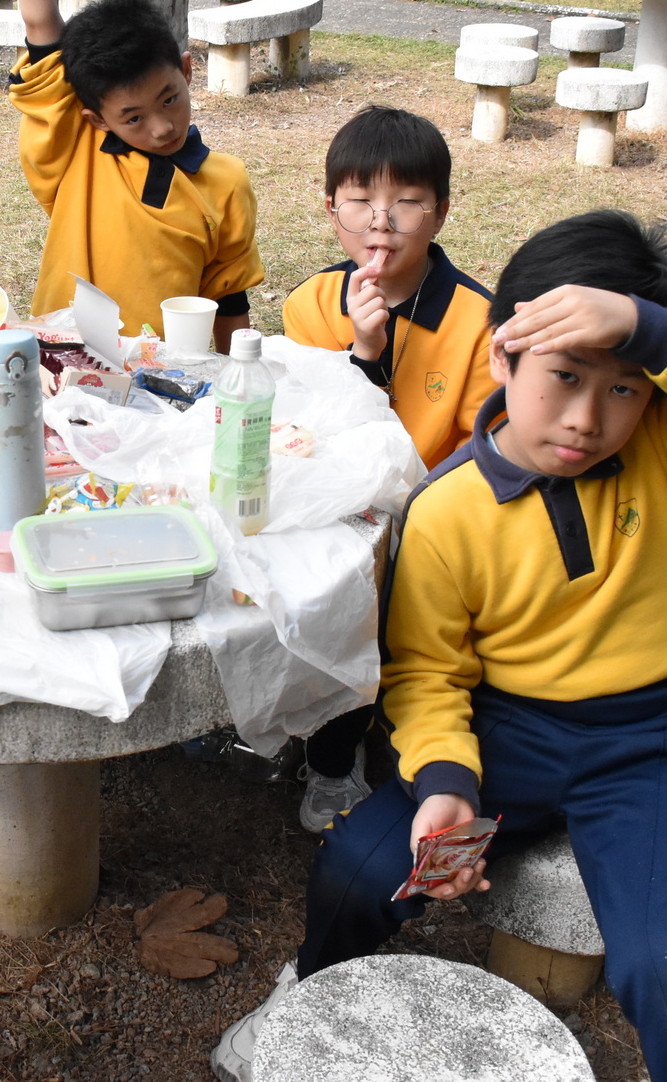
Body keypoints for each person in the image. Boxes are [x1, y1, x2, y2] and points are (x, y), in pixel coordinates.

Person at [212, 210, 667, 1082]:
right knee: (356, 868)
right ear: (504, 353)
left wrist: (653, 328)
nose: (587, 419)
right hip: (506, 729)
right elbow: (428, 671)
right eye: (566, 375)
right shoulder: (447, 509)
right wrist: (445, 780)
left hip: (658, 735)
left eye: (625, 387)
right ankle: (310, 989)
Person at [280, 104, 496, 832]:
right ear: (330, 208)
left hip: (433, 515)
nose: (382, 222)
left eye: (406, 201)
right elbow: (313, 429)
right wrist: (362, 353)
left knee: (373, 589)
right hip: (330, 496)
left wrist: (411, 515)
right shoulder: (313, 304)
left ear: (441, 211)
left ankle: (336, 757)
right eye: (360, 202)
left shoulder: (478, 321)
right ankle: (298, 716)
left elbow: (482, 450)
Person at [0, 0, 262, 347]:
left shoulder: (226, 183)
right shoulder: (76, 151)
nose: (161, 128)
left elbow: (229, 299)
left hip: (167, 386)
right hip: (65, 376)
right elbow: (41, 19)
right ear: (97, 119)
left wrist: (238, 374)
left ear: (186, 71)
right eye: (133, 118)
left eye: (169, 100)